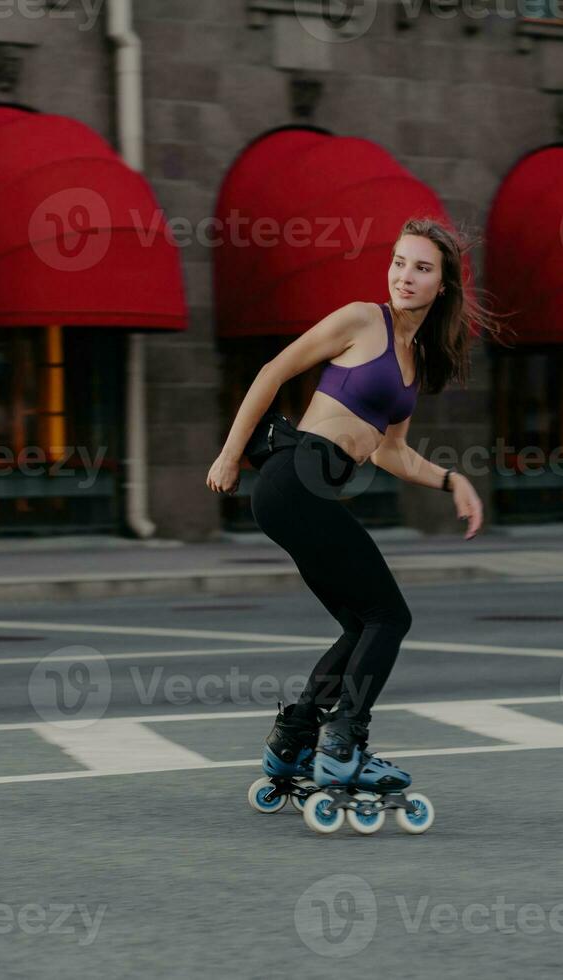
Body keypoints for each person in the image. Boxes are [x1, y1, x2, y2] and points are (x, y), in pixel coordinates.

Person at [206, 218, 495, 817]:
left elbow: (388, 450)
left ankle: (294, 741)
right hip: (296, 478)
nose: (404, 276)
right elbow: (273, 371)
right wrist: (230, 454)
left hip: (308, 492)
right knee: (390, 615)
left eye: (421, 267)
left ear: (442, 285)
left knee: (365, 623)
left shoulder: (413, 359)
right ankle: (344, 742)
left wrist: (450, 479)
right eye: (398, 262)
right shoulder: (364, 319)